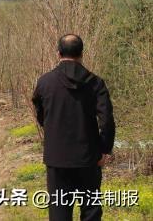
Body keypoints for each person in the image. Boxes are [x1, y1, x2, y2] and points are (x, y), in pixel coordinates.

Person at [32, 34, 115, 221]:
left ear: (59, 53)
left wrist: (53, 129)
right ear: (82, 54)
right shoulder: (95, 83)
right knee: (91, 211)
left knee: (60, 211)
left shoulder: (45, 82)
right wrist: (104, 149)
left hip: (57, 158)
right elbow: (107, 119)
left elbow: (41, 115)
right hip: (88, 157)